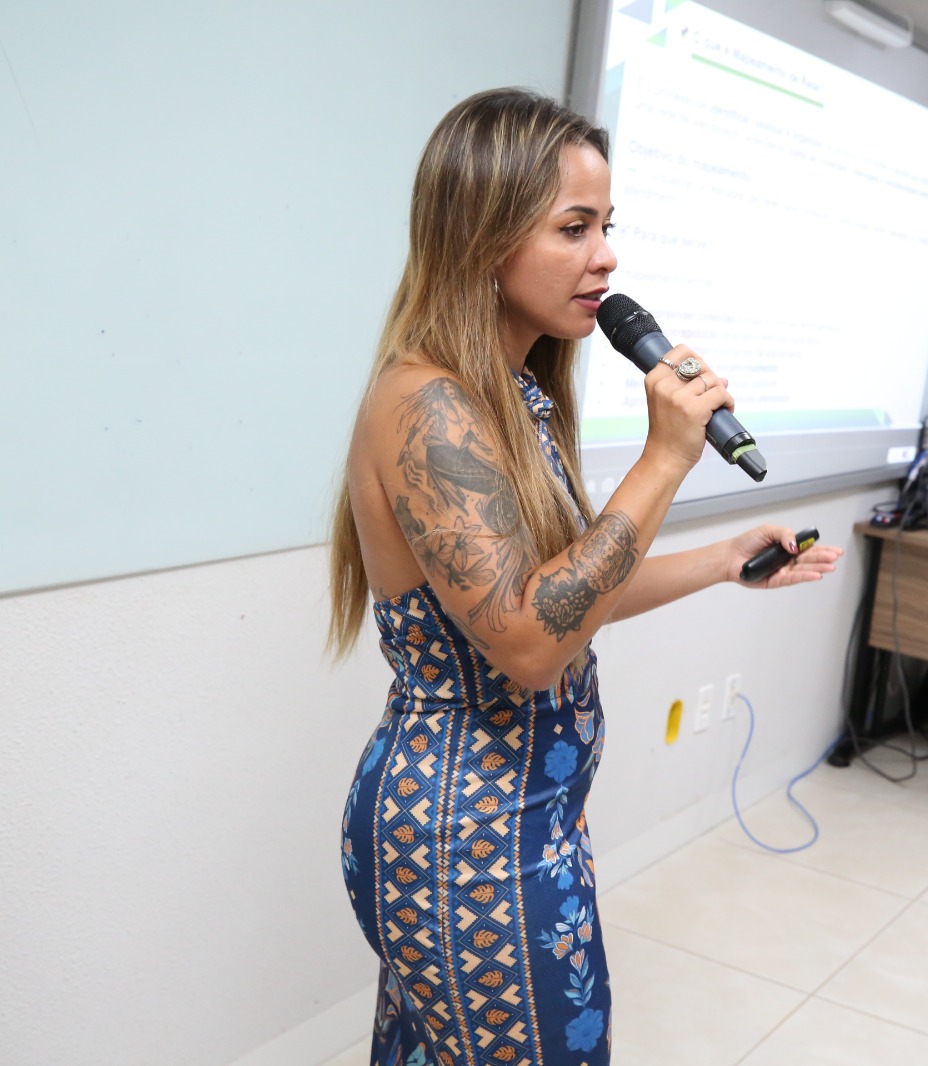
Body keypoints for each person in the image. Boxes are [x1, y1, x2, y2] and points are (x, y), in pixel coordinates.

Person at [326, 88, 842, 1066]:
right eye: (574, 228)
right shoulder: (428, 404)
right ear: (483, 237)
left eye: (607, 227)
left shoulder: (511, 395)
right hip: (466, 834)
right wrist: (665, 458)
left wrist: (721, 561)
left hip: (527, 814)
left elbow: (566, 597)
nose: (606, 257)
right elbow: (529, 642)